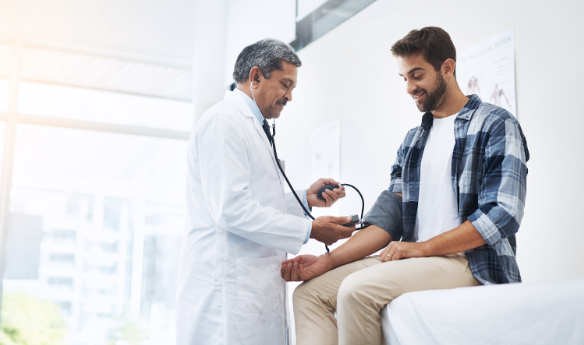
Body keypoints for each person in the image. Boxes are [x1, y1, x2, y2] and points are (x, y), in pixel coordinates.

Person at [281, 27, 530, 345]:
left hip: (472, 261)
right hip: (416, 258)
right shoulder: (413, 142)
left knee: (357, 291)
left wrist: (422, 248)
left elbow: (503, 214)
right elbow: (388, 220)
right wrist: (325, 261)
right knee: (309, 294)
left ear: (447, 68)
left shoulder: (496, 124)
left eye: (417, 75)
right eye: (404, 79)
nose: (411, 87)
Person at [176, 38, 356, 345]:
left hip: (250, 288)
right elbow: (231, 209)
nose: (289, 96)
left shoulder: (252, 125)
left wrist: (303, 200)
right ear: (255, 76)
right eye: (285, 84)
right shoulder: (224, 122)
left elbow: (254, 201)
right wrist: (310, 230)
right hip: (226, 293)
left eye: (293, 88)